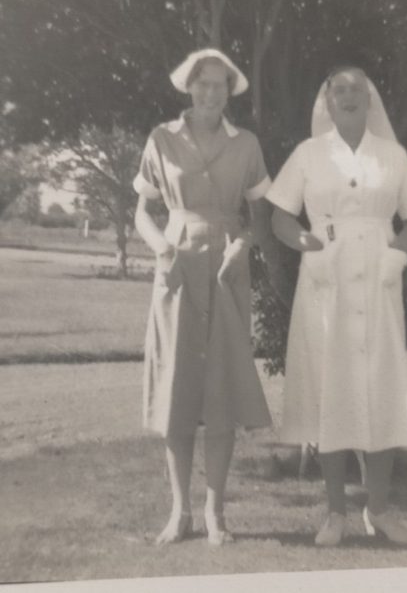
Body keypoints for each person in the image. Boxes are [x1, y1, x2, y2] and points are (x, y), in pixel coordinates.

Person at [266, 66, 407, 547]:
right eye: (339, 90)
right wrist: (304, 241)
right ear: (327, 101)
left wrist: (398, 255)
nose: (348, 96)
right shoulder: (308, 154)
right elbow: (279, 217)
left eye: (357, 89)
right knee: (330, 389)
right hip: (326, 278)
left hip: (379, 278)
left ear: (369, 98)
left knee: (381, 390)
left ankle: (378, 510)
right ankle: (335, 512)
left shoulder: (393, 155)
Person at [133, 48, 272, 546]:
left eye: (220, 85)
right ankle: (181, 512)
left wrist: (242, 244)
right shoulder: (162, 139)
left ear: (229, 90)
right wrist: (161, 248)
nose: (211, 93)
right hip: (176, 268)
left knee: (221, 389)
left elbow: (259, 216)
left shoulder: (246, 144)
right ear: (189, 86)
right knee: (177, 387)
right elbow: (142, 213)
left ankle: (216, 512)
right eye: (203, 83)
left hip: (227, 271)